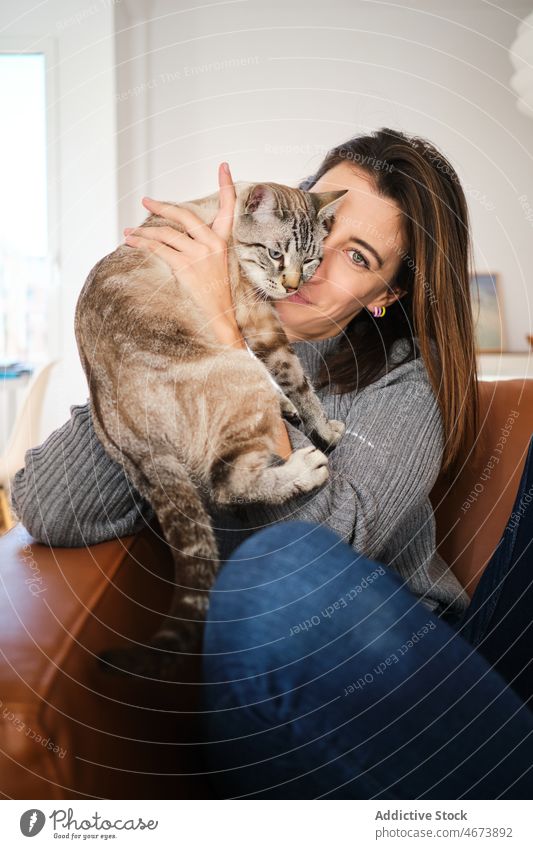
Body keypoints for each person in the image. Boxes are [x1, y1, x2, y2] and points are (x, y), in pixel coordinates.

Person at [9, 128, 532, 797]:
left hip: (392, 690)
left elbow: (316, 554)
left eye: (358, 256)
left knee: (273, 572)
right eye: (323, 225)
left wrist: (230, 344)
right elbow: (50, 506)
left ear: (386, 296)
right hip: (251, 708)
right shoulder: (198, 332)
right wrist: (148, 333)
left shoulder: (403, 387)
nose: (310, 266)